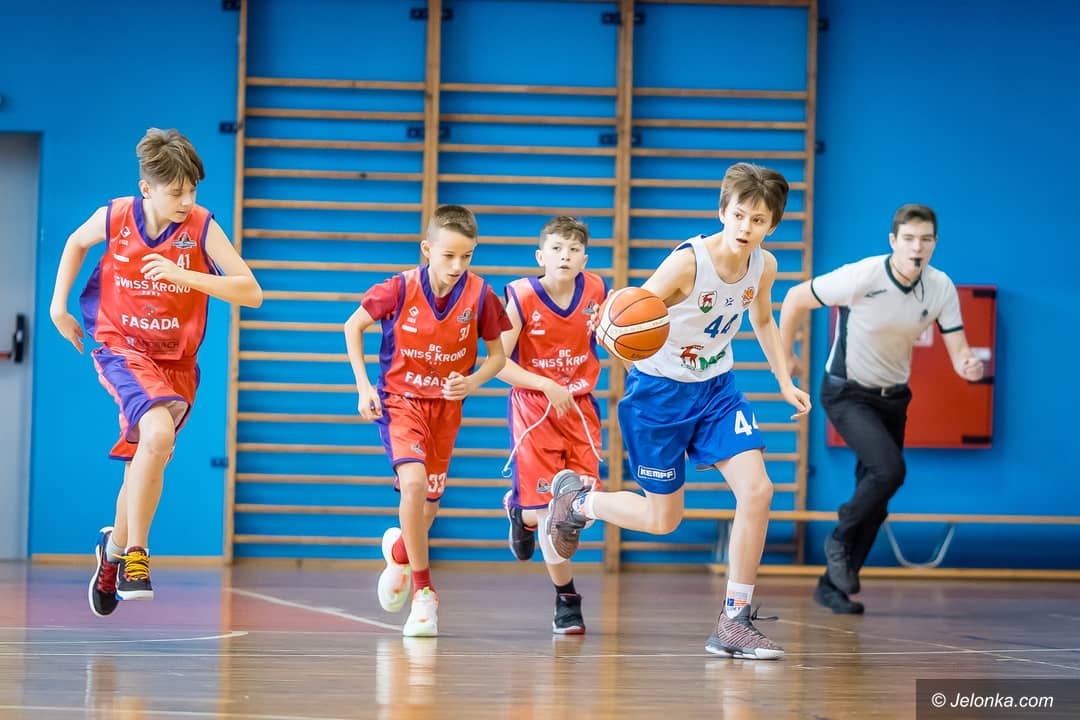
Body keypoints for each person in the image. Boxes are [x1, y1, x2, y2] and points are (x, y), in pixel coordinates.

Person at [547, 163, 811, 659]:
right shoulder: (688, 263)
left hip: (717, 391)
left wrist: (783, 380)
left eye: (758, 220)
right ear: (722, 211)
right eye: (739, 215)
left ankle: (733, 621)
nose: (746, 227)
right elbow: (628, 316)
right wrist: (613, 333)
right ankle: (577, 504)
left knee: (758, 490)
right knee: (662, 519)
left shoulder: (765, 265)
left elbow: (762, 319)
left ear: (772, 225)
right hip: (660, 395)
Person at [49, 128, 263, 617]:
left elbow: (251, 291)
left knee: (147, 459)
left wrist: (185, 274)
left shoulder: (202, 227)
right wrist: (58, 306)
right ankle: (137, 557)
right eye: (176, 191)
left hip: (177, 363)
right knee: (158, 433)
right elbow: (76, 242)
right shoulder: (116, 216)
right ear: (146, 188)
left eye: (193, 190)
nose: (187, 201)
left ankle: (111, 554)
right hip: (122, 348)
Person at [779, 203, 984, 614]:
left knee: (877, 495)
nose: (917, 247)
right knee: (889, 471)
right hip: (846, 392)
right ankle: (839, 539)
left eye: (925, 240)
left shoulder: (941, 287)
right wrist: (786, 358)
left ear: (935, 244)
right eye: (909, 239)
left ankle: (832, 585)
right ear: (893, 241)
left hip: (893, 399)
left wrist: (968, 365)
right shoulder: (863, 276)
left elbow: (959, 349)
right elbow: (795, 298)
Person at [344, 204, 510, 637]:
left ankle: (400, 552)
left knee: (428, 507)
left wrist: (472, 381)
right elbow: (352, 326)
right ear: (427, 249)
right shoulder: (398, 288)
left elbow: (497, 357)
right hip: (400, 401)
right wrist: (363, 386)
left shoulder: (481, 295)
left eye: (466, 256)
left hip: (445, 410)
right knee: (414, 485)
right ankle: (424, 592)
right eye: (448, 255)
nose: (457, 266)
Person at [496, 216, 607, 635]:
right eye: (557, 249)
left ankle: (520, 513)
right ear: (540, 256)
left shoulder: (597, 291)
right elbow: (498, 364)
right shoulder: (522, 296)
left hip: (580, 408)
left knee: (582, 511)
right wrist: (546, 384)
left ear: (584, 259)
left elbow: (611, 338)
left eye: (574, 250)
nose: (565, 256)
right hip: (534, 409)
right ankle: (566, 598)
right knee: (550, 516)